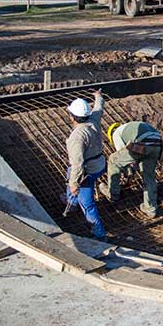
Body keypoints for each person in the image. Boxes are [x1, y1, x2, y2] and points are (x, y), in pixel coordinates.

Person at [99, 121, 163, 219]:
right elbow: (133, 158)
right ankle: (150, 209)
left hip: (143, 142)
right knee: (149, 176)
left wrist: (128, 173)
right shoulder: (129, 128)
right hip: (158, 143)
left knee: (113, 160)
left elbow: (122, 161)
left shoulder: (116, 134)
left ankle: (113, 193)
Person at [64, 89, 107, 239]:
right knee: (70, 173)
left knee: (87, 202)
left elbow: (78, 164)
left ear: (72, 117)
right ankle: (72, 201)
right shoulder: (93, 120)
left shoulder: (77, 137)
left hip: (87, 171)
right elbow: (98, 108)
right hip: (100, 164)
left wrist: (74, 184)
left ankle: (99, 233)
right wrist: (98, 97)